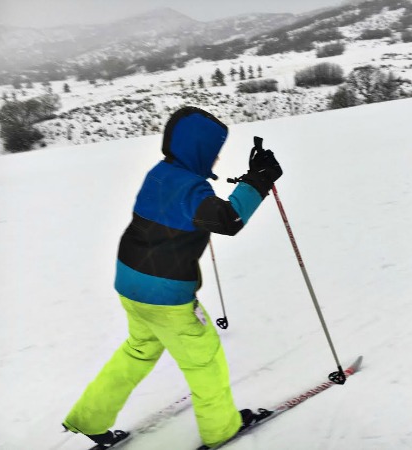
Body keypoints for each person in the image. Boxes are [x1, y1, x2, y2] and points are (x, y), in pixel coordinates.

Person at [62, 106, 282, 449]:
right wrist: (260, 179)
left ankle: (90, 418)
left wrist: (248, 181)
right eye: (214, 150)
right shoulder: (191, 189)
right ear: (198, 149)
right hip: (166, 296)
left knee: (138, 350)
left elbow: (189, 211)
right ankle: (221, 428)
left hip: (130, 284)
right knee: (204, 359)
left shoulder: (160, 173)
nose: (217, 157)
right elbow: (228, 220)